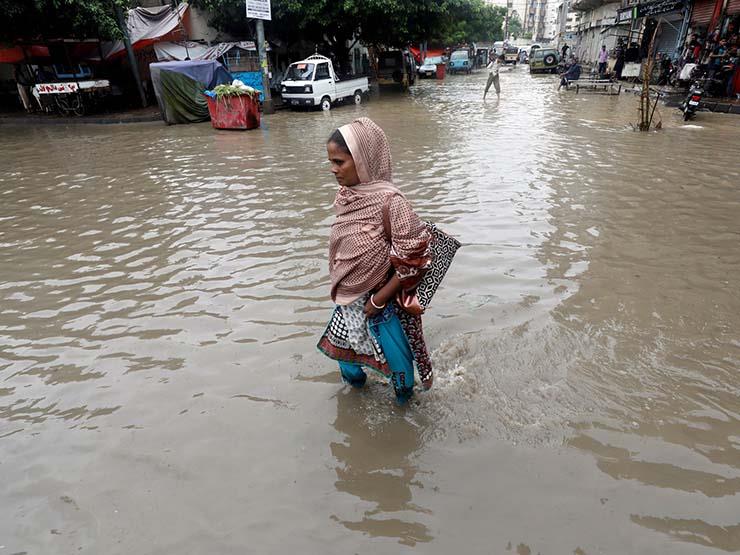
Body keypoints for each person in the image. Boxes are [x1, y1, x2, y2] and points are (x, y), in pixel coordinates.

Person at [317, 118, 433, 405]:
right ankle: (355, 408)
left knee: (403, 382)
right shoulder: (347, 196)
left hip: (382, 304)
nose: (333, 169)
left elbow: (414, 257)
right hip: (349, 300)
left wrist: (379, 299)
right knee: (349, 370)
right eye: (331, 161)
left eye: (340, 162)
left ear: (363, 160)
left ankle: (404, 428)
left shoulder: (391, 202)